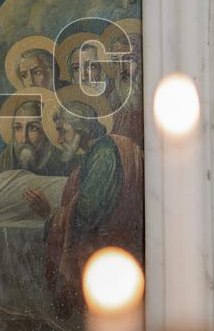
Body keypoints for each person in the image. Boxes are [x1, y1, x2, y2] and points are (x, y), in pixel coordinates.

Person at [22, 101, 144, 318]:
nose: (59, 139)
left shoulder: (105, 153)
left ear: (80, 127)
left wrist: (49, 214)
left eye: (62, 130)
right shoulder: (98, 154)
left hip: (111, 261)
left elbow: (87, 215)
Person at [0, 99, 77, 176]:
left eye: (33, 128)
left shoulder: (60, 161)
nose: (24, 139)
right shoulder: (11, 152)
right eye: (18, 128)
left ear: (46, 132)